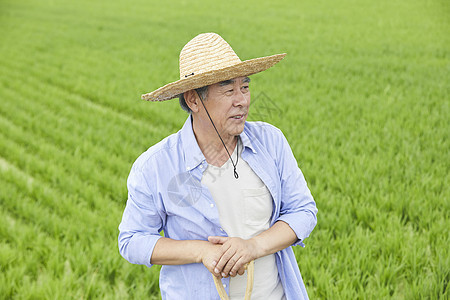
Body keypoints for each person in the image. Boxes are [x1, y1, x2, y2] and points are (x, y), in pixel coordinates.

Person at [118, 32, 318, 300]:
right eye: (228, 90)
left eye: (245, 87)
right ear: (194, 100)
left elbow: (303, 211)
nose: (242, 101)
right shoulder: (157, 166)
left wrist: (253, 247)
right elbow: (132, 240)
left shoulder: (270, 142)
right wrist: (202, 252)